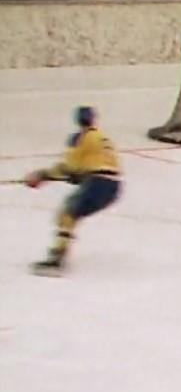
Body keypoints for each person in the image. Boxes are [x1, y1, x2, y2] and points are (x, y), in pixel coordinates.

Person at [24, 107, 122, 272]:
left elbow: (69, 167)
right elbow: (97, 165)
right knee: (72, 214)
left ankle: (57, 258)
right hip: (114, 186)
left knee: (67, 215)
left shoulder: (79, 138)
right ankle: (59, 252)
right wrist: (79, 176)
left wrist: (42, 175)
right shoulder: (102, 138)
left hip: (98, 182)